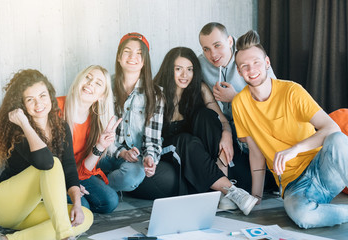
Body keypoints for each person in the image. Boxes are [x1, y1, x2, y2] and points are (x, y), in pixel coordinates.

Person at [232, 30, 348, 228]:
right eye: (245, 66)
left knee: (337, 138)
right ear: (239, 71)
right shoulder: (239, 104)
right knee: (303, 217)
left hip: (323, 167)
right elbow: (256, 152)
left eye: (256, 62)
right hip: (294, 185)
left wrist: (294, 149)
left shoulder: (292, 91)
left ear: (267, 63)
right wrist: (256, 196)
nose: (251, 69)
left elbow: (331, 127)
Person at [131, 47, 258, 216]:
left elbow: (220, 120)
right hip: (167, 148)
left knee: (207, 116)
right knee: (186, 140)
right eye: (179, 69)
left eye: (189, 69)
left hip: (196, 149)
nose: (185, 75)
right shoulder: (156, 92)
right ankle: (231, 190)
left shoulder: (200, 89)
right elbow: (149, 136)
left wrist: (227, 134)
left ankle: (223, 190)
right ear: (170, 70)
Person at [0, 69, 93, 240]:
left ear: (50, 96)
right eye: (30, 100)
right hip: (3, 204)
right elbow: (45, 163)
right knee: (53, 163)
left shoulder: (62, 127)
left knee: (84, 217)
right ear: (22, 105)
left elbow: (69, 169)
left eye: (42, 96)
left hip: (31, 209)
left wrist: (77, 204)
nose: (39, 104)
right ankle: (66, 237)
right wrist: (24, 123)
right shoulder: (18, 131)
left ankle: (6, 239)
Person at [198, 22, 277, 192]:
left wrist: (236, 99)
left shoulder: (249, 57)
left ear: (230, 41)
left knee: (252, 181)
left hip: (257, 129)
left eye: (217, 45)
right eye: (206, 49)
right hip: (228, 130)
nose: (213, 54)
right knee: (205, 116)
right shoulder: (201, 64)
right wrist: (226, 129)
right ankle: (223, 183)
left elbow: (274, 105)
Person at [97, 33, 164, 194]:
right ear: (119, 57)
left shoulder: (155, 94)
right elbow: (99, 129)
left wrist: (150, 158)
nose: (133, 56)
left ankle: (96, 187)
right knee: (83, 160)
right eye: (127, 51)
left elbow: (153, 138)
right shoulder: (105, 87)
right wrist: (121, 152)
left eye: (139, 53)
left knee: (132, 177)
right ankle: (94, 186)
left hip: (134, 159)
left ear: (144, 61)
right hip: (105, 152)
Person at [57, 65, 121, 214]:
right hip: (54, 176)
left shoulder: (97, 121)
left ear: (102, 96)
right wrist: (69, 186)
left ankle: (69, 206)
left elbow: (85, 169)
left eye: (98, 83)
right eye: (88, 77)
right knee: (83, 206)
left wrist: (100, 146)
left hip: (78, 173)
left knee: (110, 200)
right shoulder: (56, 107)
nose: (90, 83)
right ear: (79, 80)